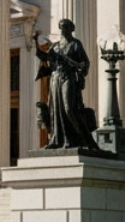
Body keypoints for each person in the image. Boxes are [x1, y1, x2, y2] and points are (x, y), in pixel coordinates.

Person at [41, 19, 100, 151]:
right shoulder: (55, 46)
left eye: (66, 27)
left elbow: (84, 64)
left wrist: (68, 60)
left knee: (69, 108)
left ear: (71, 29)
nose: (63, 30)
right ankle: (57, 139)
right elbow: (47, 61)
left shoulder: (75, 44)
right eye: (61, 27)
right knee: (55, 109)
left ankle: (81, 139)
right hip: (55, 78)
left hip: (68, 77)